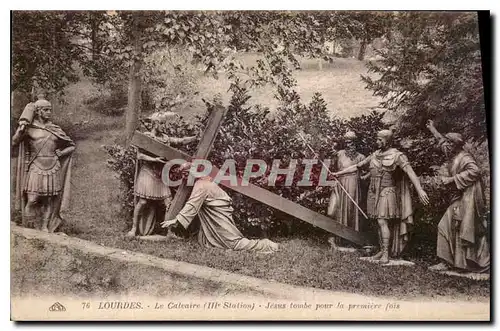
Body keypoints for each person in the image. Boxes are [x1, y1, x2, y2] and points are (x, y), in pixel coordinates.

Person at [332, 129, 429, 263]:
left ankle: (385, 255)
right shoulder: (375, 154)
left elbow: (410, 173)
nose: (377, 141)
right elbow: (357, 166)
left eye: (380, 139)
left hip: (387, 191)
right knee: (377, 221)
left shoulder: (397, 156)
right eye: (377, 139)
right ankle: (381, 251)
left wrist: (420, 190)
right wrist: (338, 174)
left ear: (387, 140)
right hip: (374, 192)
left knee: (382, 221)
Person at [161, 163, 279, 254]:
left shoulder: (201, 185)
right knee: (215, 241)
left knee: (233, 243)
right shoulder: (204, 180)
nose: (184, 178)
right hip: (218, 211)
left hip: (219, 214)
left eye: (186, 175)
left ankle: (266, 245)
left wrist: (175, 220)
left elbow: (192, 205)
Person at [426, 120, 489, 273]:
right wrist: (433, 129)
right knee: (452, 226)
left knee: (453, 226)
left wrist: (451, 179)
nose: (446, 146)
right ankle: (452, 262)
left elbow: (475, 172)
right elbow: (442, 142)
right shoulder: (454, 153)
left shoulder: (465, 158)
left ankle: (463, 263)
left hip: (469, 199)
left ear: (455, 145)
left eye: (449, 143)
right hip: (460, 196)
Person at [127, 112, 197, 237]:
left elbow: (180, 141)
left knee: (168, 202)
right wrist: (154, 160)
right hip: (148, 172)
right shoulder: (147, 137)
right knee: (143, 202)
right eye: (162, 124)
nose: (164, 126)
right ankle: (133, 229)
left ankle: (169, 231)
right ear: (155, 124)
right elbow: (139, 155)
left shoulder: (165, 138)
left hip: (160, 175)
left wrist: (194, 138)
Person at [12, 99, 75, 232]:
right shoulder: (30, 129)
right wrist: (21, 128)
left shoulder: (54, 129)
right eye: (46, 110)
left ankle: (45, 227)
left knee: (49, 200)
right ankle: (29, 227)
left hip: (53, 167)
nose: (49, 112)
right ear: (38, 111)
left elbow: (71, 145)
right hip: (36, 167)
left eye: (50, 109)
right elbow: (14, 142)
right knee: (33, 199)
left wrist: (61, 153)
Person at [327, 131, 366, 250]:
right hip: (339, 185)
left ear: (355, 143)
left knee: (351, 211)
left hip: (354, 185)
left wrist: (363, 178)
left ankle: (351, 239)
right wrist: (332, 180)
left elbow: (369, 171)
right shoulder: (339, 154)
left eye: (351, 142)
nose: (348, 144)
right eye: (346, 142)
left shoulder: (361, 157)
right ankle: (333, 238)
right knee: (333, 211)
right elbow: (331, 169)